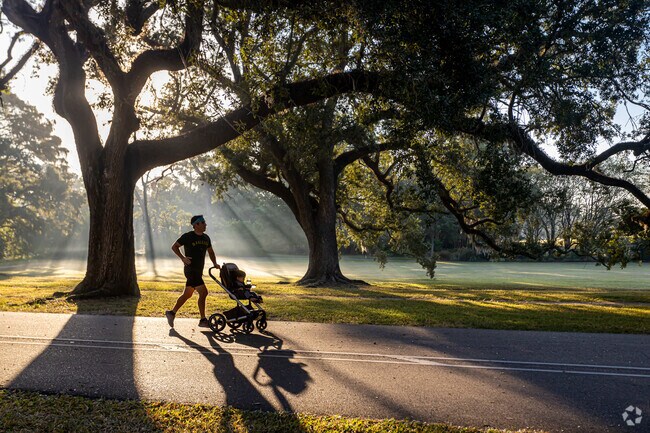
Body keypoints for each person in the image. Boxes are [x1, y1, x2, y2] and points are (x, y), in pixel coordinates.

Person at [165, 215, 219, 328]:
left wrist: (215, 263)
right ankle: (203, 320)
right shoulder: (188, 236)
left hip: (198, 270)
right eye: (203, 223)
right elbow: (174, 247)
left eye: (205, 222)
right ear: (196, 225)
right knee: (204, 292)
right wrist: (183, 258)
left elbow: (211, 252)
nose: (205, 225)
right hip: (190, 269)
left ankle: (171, 313)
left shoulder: (206, 238)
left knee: (187, 294)